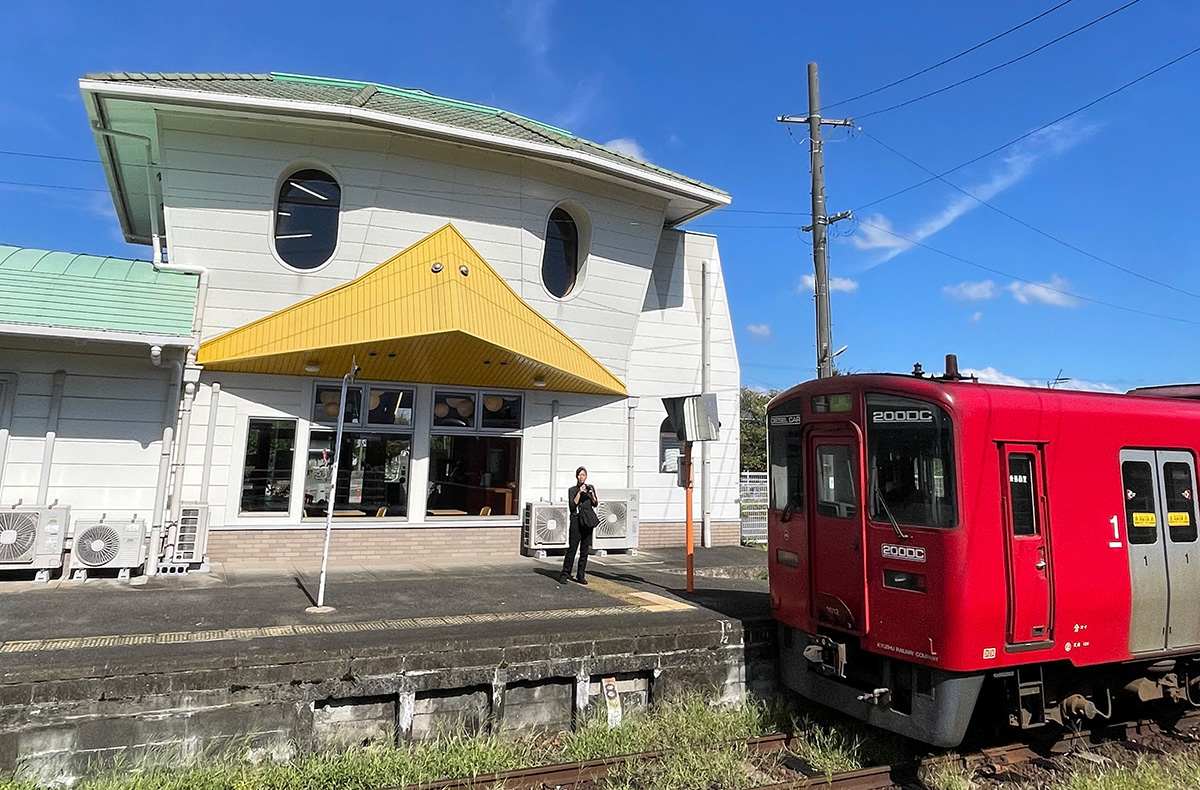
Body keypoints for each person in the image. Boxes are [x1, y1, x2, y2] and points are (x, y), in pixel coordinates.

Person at [559, 466, 599, 585]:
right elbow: (572, 506)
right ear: (576, 476)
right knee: (572, 549)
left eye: (583, 475)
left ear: (586, 476)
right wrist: (579, 492)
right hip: (576, 521)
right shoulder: (572, 490)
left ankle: (581, 575)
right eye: (579, 475)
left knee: (584, 550)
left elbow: (595, 503)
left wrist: (591, 494)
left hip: (587, 521)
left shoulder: (590, 487)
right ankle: (565, 574)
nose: (581, 477)